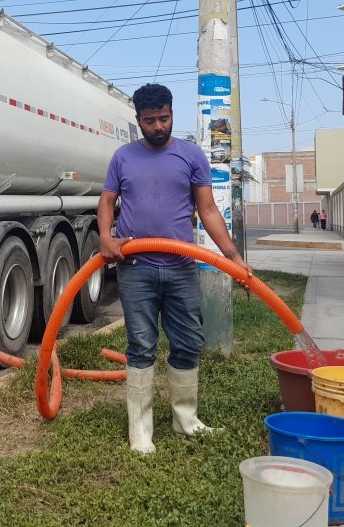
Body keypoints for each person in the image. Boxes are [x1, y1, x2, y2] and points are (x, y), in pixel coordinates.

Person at [98, 83, 255, 454]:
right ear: (138, 121)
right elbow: (107, 202)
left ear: (172, 113)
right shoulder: (122, 157)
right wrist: (106, 236)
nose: (157, 126)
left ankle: (185, 420)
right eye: (149, 120)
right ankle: (140, 430)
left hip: (182, 267)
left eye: (163, 118)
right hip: (135, 267)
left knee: (187, 342)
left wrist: (233, 258)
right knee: (141, 344)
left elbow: (209, 211)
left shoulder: (191, 156)